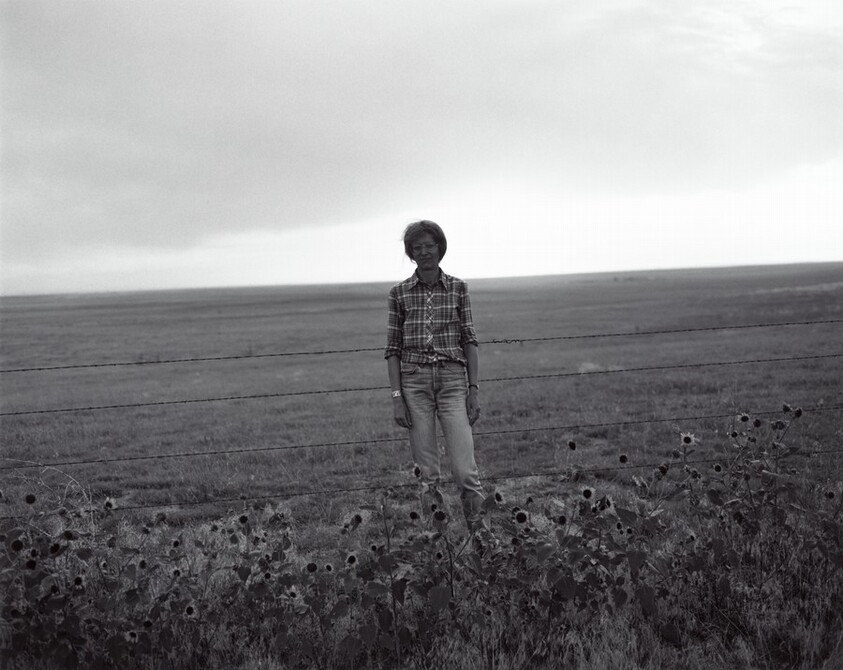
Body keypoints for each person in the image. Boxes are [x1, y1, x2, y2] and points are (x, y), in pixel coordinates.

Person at [384, 220, 486, 530]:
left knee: (465, 471)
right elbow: (393, 348)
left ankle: (483, 541)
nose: (425, 252)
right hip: (414, 384)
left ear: (440, 248)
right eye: (418, 248)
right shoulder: (398, 293)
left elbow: (469, 339)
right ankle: (438, 549)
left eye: (430, 245)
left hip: (453, 382)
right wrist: (397, 398)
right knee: (427, 475)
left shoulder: (458, 287)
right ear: (410, 253)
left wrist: (474, 389)